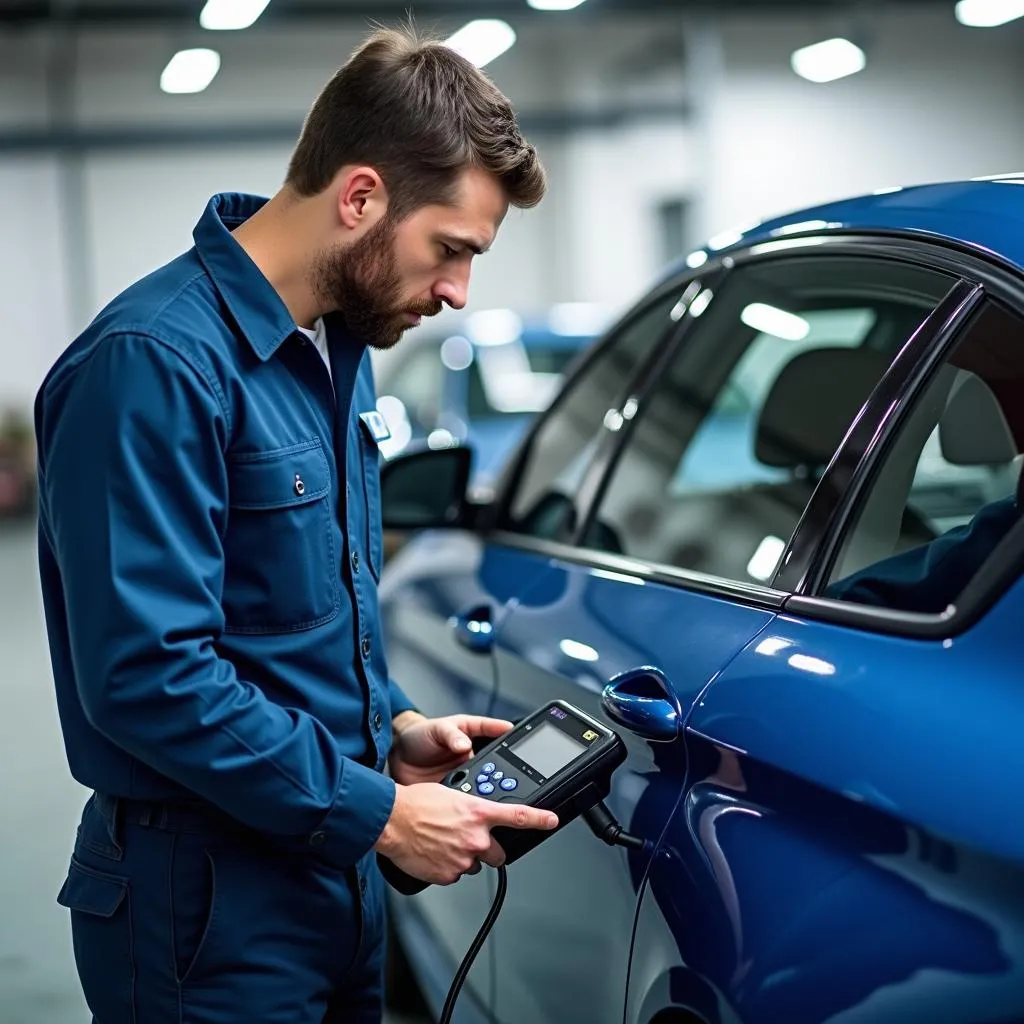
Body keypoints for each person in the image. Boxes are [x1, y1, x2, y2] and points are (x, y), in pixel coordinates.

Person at [34, 25, 558, 1024]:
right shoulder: (153, 365)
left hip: (329, 863)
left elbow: (292, 615)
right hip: (206, 905)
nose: (456, 292)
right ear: (359, 197)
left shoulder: (329, 353)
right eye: (449, 249)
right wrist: (380, 813)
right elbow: (148, 675)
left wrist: (395, 727)